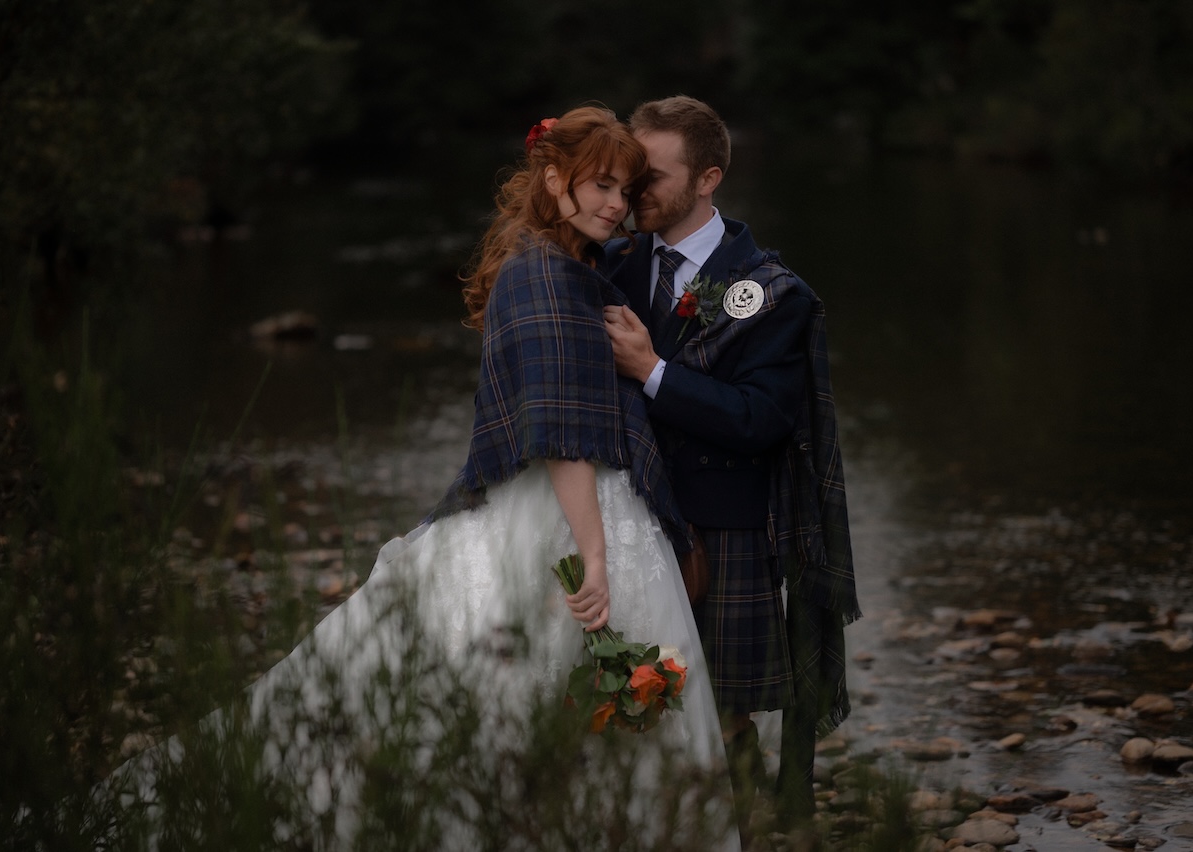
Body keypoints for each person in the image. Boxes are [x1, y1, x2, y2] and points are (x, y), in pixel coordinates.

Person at [107, 105, 741, 851]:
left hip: (566, 505)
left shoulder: (562, 262)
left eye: (624, 189)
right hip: (575, 509)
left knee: (554, 687)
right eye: (599, 184)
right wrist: (595, 553)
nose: (614, 203)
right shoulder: (548, 274)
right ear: (552, 177)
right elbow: (560, 433)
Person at [602, 95, 860, 834]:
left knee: (720, 709)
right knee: (624, 696)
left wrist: (653, 371)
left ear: (707, 178)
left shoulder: (773, 294)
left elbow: (760, 420)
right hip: (624, 519)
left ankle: (739, 835)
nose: (630, 191)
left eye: (649, 174)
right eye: (625, 173)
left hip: (724, 526)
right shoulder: (612, 265)